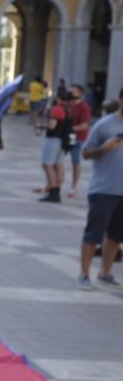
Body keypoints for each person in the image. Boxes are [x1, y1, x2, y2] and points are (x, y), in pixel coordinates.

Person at [77, 87, 123, 290]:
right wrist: (104, 148)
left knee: (116, 235)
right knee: (94, 233)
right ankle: (84, 274)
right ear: (121, 100)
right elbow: (85, 153)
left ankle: (105, 273)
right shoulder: (105, 125)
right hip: (104, 189)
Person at [39, 90, 71, 203]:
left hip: (53, 140)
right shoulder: (69, 109)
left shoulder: (57, 108)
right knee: (58, 164)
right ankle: (56, 190)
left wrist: (42, 126)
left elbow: (52, 125)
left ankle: (53, 191)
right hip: (63, 141)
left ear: (58, 98)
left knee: (48, 165)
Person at [67, 84, 92, 199]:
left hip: (78, 137)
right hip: (67, 136)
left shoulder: (84, 107)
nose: (70, 93)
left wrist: (69, 129)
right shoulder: (68, 105)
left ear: (79, 93)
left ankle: (74, 187)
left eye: (73, 91)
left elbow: (84, 126)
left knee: (75, 161)